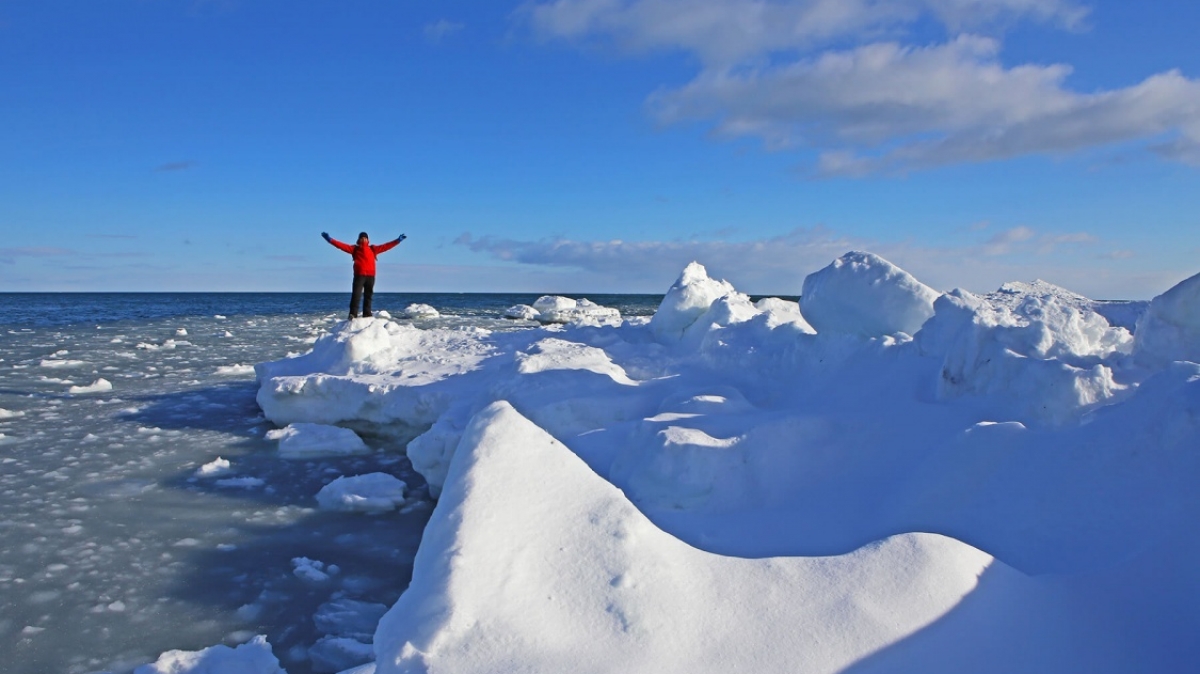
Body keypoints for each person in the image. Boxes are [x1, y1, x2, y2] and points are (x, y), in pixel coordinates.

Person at [322, 231, 406, 319]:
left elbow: (386, 246)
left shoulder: (373, 249)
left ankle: (367, 314)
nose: (364, 239)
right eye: (362, 238)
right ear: (359, 239)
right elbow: (341, 245)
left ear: (368, 240)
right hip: (359, 276)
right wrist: (329, 239)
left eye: (365, 238)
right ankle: (353, 314)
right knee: (356, 295)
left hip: (370, 276)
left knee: (368, 296)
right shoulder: (355, 249)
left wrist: (397, 240)